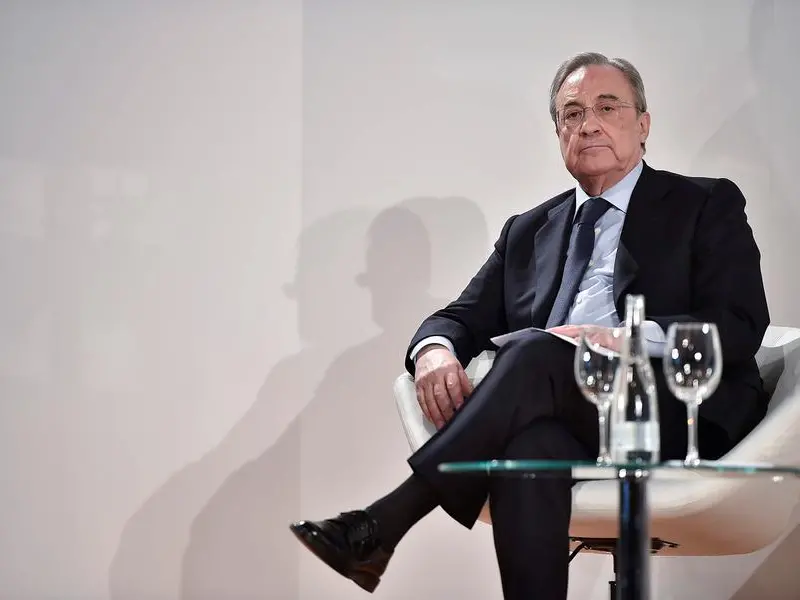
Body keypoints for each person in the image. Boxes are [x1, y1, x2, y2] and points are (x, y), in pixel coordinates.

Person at [289, 52, 770, 600]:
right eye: (572, 113)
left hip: (674, 410)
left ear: (643, 124)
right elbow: (459, 317)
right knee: (532, 444)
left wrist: (617, 340)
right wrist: (434, 351)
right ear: (558, 132)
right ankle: (378, 536)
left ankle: (385, 521)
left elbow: (739, 322)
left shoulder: (703, 202)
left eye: (607, 107)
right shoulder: (528, 230)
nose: (588, 124)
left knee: (535, 353)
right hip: (567, 412)